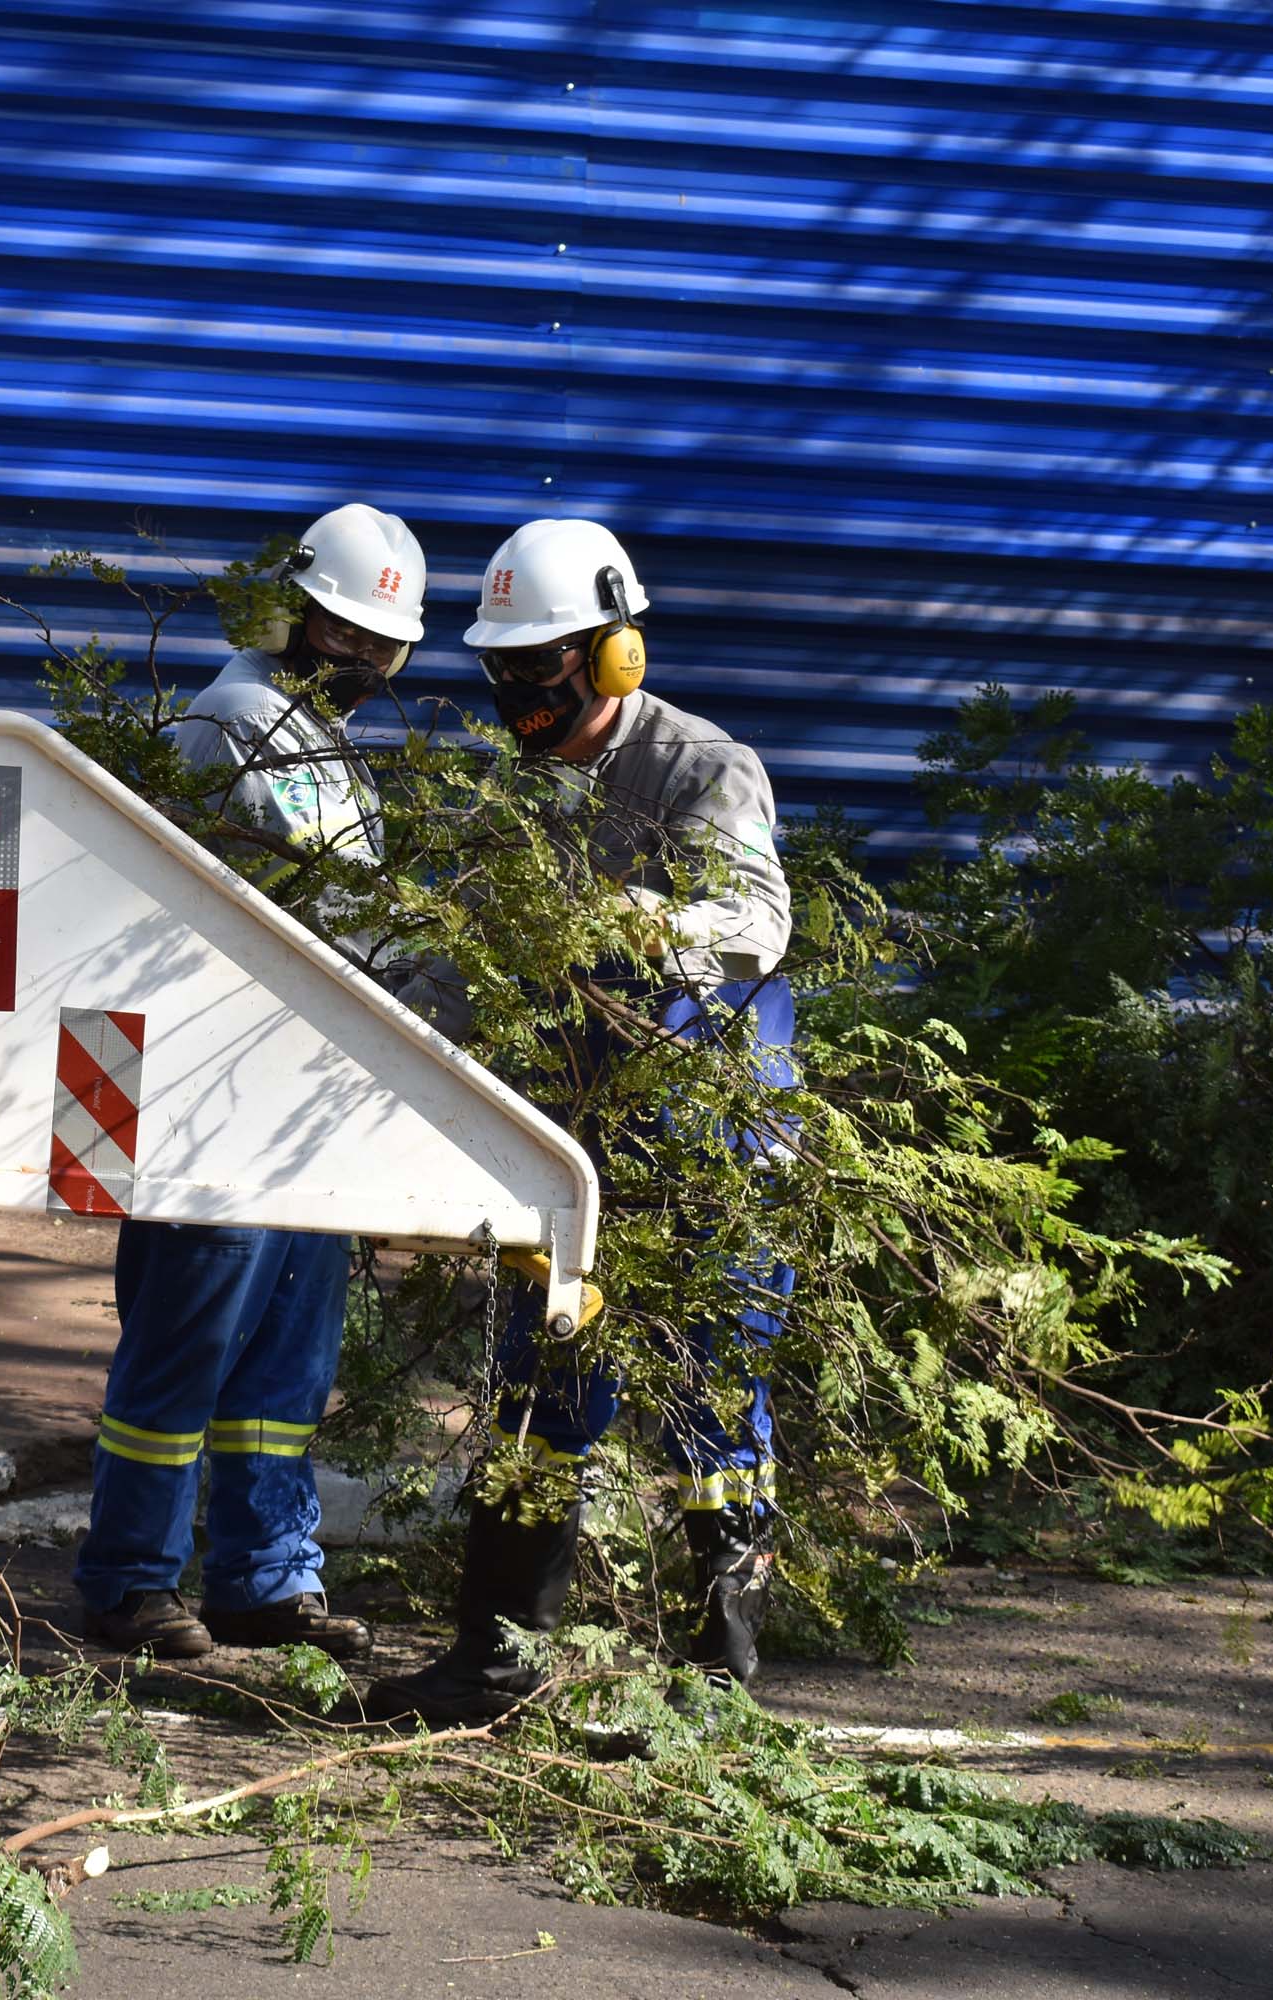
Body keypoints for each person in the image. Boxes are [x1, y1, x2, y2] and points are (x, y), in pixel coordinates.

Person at [367, 516, 795, 1722]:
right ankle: (492, 1662)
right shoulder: (521, 794)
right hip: (571, 1144)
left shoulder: (702, 768)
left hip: (707, 1140)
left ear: (614, 656)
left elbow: (754, 922)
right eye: (503, 670)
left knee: (711, 1395)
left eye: (542, 667)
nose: (519, 694)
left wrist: (623, 923)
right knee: (534, 1397)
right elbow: (457, 962)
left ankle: (719, 1679)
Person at [74, 502, 428, 1661]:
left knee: (285, 1360)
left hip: (300, 1098)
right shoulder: (238, 723)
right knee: (190, 1340)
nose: (366, 667)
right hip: (220, 1094)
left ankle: (266, 1576)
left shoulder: (316, 742)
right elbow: (331, 911)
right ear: (288, 618)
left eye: (385, 650)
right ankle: (132, 1577)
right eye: (348, 640)